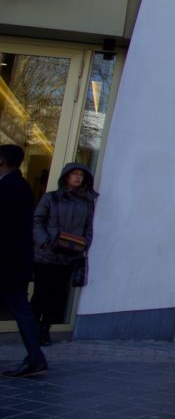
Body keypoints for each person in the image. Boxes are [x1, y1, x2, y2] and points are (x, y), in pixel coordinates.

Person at [32, 161, 97, 347]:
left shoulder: (87, 202)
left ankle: (45, 330)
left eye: (81, 175)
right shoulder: (51, 198)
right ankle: (31, 329)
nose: (78, 177)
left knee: (57, 296)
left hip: (69, 256)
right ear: (66, 176)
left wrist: (84, 245)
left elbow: (88, 228)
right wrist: (44, 242)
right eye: (75, 173)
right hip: (46, 255)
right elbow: (37, 220)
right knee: (40, 294)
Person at [0, 143, 47, 378]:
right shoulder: (18, 186)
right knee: (21, 310)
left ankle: (36, 357)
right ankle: (36, 357)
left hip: (8, 262)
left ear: (3, 161)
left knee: (21, 310)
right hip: (14, 262)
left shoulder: (11, 187)